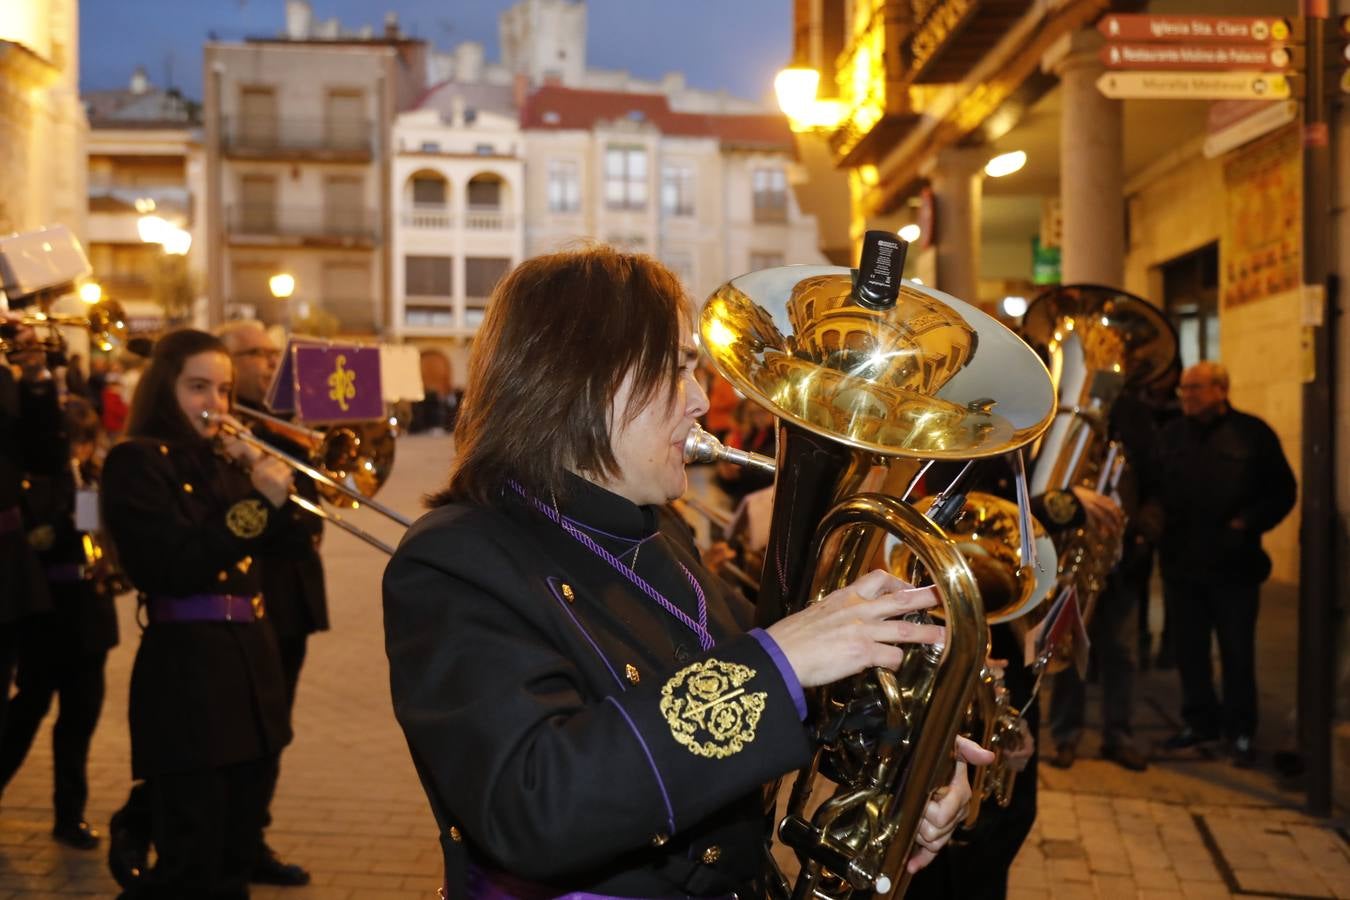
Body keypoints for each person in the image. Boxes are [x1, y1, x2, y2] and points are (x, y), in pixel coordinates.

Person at [383, 246, 991, 898]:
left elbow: (761, 704)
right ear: (579, 378)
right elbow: (534, 807)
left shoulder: (657, 528)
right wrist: (780, 659)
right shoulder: (456, 559)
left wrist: (905, 767)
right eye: (675, 369)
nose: (702, 399)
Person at [101, 328, 299, 897]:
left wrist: (265, 474)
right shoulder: (135, 462)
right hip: (187, 678)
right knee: (192, 859)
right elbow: (175, 564)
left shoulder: (227, 461)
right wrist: (259, 502)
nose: (216, 403)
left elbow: (289, 548)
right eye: (197, 387)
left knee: (236, 854)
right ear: (165, 388)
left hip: (251, 671)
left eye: (224, 388)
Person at [216, 319, 320, 886]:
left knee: (275, 726)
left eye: (270, 352)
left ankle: (250, 835)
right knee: (240, 728)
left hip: (294, 590)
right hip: (250, 593)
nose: (265, 361)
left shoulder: (290, 423)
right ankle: (150, 821)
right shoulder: (227, 433)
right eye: (251, 353)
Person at [1152, 361, 1296, 767]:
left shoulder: (1253, 434)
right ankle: (1199, 724)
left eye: (1195, 388)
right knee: (1191, 652)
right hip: (1182, 566)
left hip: (1234, 567)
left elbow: (1283, 491)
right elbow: (1157, 490)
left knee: (1237, 652)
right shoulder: (1172, 434)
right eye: (1183, 389)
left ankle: (1241, 730)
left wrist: (1246, 522)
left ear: (1220, 389)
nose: (1186, 396)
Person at [0, 396, 120, 848]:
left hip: (90, 617)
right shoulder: (30, 483)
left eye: (85, 442)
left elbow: (94, 537)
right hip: (47, 616)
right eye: (71, 442)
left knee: (79, 721)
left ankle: (69, 815)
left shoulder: (92, 482)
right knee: (24, 715)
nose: (79, 450)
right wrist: (60, 508)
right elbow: (40, 540)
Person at [1045, 392, 1157, 774]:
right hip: (1076, 559)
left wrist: (1142, 533)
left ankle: (1118, 735)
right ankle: (1065, 735)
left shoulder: (1136, 443)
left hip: (1123, 563)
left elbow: (1157, 491)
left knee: (1120, 654)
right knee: (1069, 648)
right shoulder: (1074, 442)